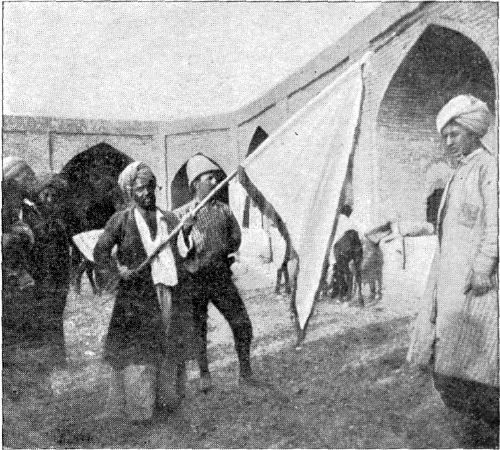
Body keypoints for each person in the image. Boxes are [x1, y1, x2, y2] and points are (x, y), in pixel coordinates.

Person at [408, 95, 498, 440]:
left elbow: (497, 223)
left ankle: (485, 432)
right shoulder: (460, 171)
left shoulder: (490, 168)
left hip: (476, 281)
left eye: (455, 134)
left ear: (474, 133)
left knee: (480, 360)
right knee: (448, 357)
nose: (448, 142)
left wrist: (484, 267)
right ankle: (468, 427)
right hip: (448, 277)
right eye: (445, 136)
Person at [94, 161, 193, 423]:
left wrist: (187, 231)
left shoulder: (169, 218)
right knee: (139, 351)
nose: (148, 192)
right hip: (137, 298)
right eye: (141, 188)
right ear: (130, 191)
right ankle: (140, 409)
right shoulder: (121, 221)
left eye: (152, 186)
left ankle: (167, 400)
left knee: (168, 344)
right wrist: (118, 272)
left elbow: (184, 252)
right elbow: (100, 252)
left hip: (168, 292)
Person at [175, 153, 254, 393]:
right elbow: (178, 250)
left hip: (220, 276)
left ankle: (245, 370)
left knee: (241, 323)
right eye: (209, 178)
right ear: (196, 183)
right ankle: (204, 373)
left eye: (215, 178)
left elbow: (236, 238)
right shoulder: (182, 215)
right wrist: (186, 232)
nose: (214, 182)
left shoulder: (224, 210)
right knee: (198, 328)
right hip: (195, 279)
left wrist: (223, 251)